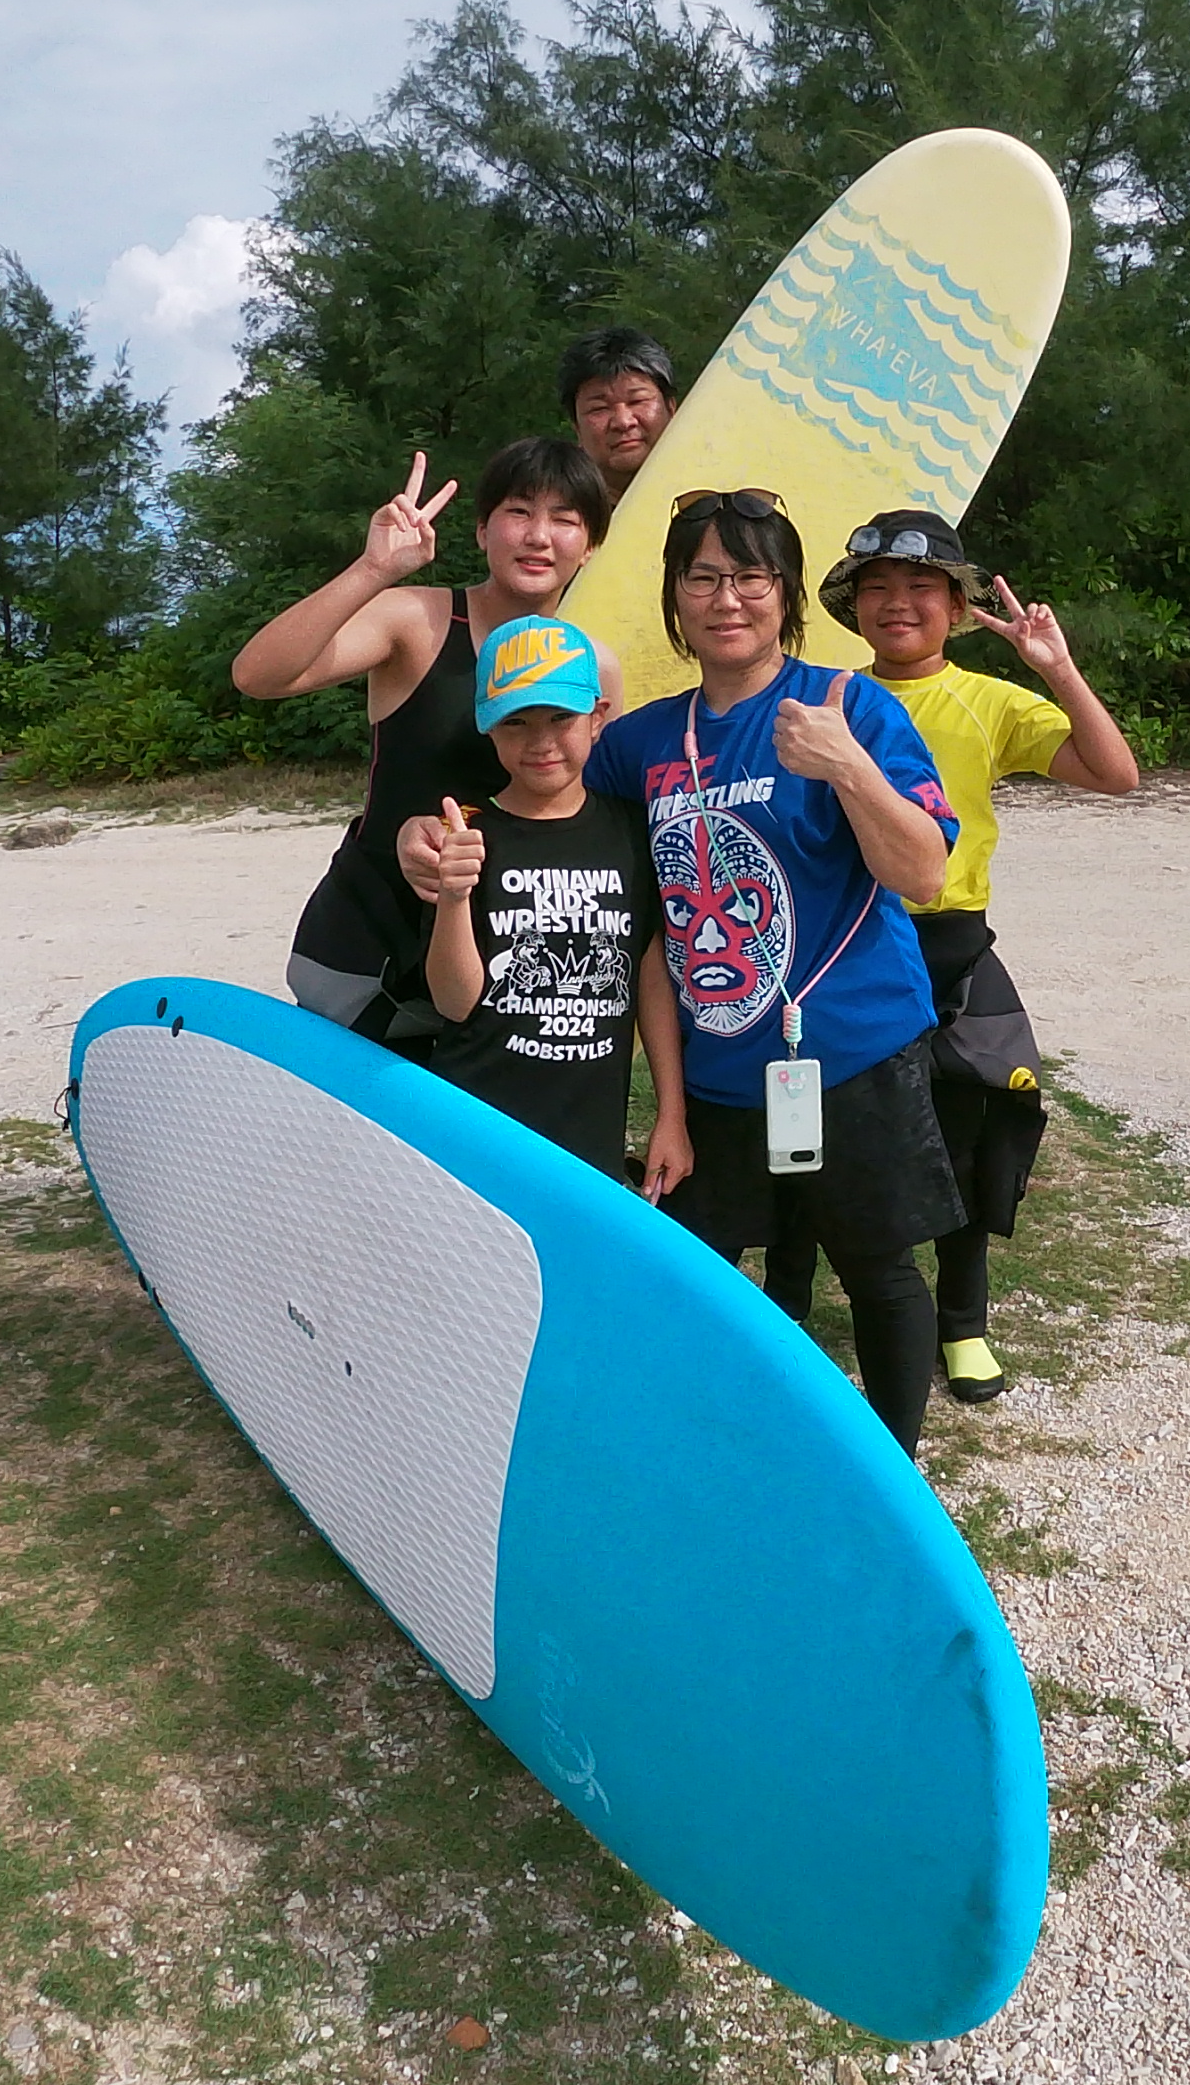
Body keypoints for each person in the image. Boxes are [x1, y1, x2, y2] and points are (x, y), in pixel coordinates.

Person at [582, 488, 966, 1452]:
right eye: (703, 577)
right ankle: (724, 1449)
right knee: (700, 1273)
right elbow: (641, 931)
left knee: (876, 1269)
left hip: (854, 1051)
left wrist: (848, 767)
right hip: (715, 1070)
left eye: (751, 577)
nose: (727, 599)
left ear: (786, 593)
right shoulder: (636, 747)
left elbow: (922, 871)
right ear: (675, 597)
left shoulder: (848, 706)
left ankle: (891, 1472)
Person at [790, 509, 1139, 1404]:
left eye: (920, 590)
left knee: (962, 1133)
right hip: (842, 944)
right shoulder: (823, 696)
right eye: (877, 589)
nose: (897, 605)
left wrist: (1056, 670)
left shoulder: (987, 702)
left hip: (948, 943)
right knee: (812, 1130)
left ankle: (963, 1322)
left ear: (955, 605)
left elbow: (1114, 774)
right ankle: (787, 1312)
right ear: (852, 606)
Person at [230, 434, 620, 1040]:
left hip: (504, 964)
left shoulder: (593, 666)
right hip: (368, 949)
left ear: (591, 545)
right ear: (482, 531)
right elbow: (258, 675)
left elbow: (585, 818)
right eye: (518, 512)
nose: (539, 536)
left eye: (565, 520)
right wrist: (374, 570)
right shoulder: (417, 621)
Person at [422, 613, 691, 1195]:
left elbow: (650, 975)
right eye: (515, 722)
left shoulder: (629, 828)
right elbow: (454, 1001)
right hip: (479, 1120)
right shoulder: (467, 832)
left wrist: (672, 1113)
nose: (541, 742)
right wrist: (452, 895)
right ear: (486, 728)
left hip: (590, 1130)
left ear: (598, 718)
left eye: (560, 718)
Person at [558, 325, 676, 504]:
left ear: (671, 408)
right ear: (577, 430)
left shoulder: (724, 497)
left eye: (637, 401)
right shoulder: (565, 522)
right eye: (599, 408)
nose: (623, 422)